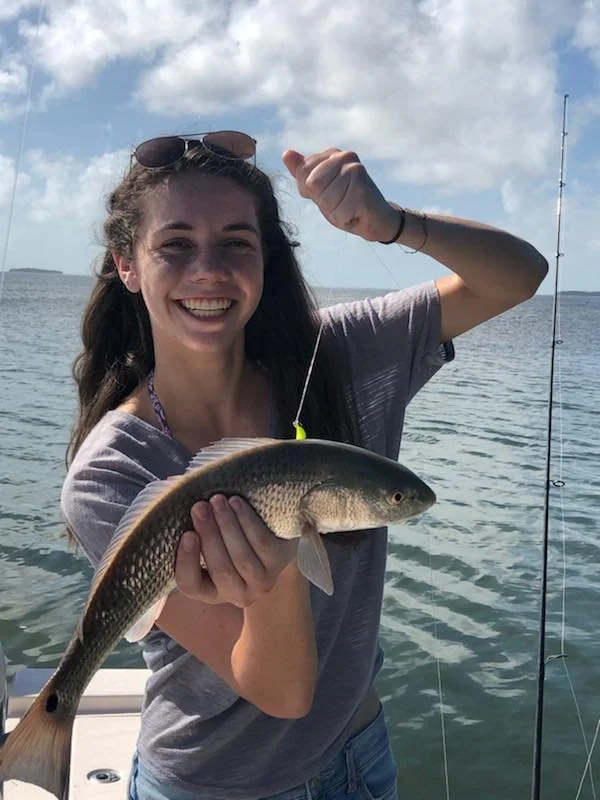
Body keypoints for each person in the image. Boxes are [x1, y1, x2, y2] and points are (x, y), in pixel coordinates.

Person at [60, 131, 548, 800]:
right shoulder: (110, 472)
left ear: (266, 260)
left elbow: (519, 276)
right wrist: (276, 558)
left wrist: (393, 225)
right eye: (175, 245)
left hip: (361, 756)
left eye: (237, 242)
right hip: (213, 785)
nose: (208, 270)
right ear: (127, 264)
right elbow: (283, 692)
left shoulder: (340, 354)